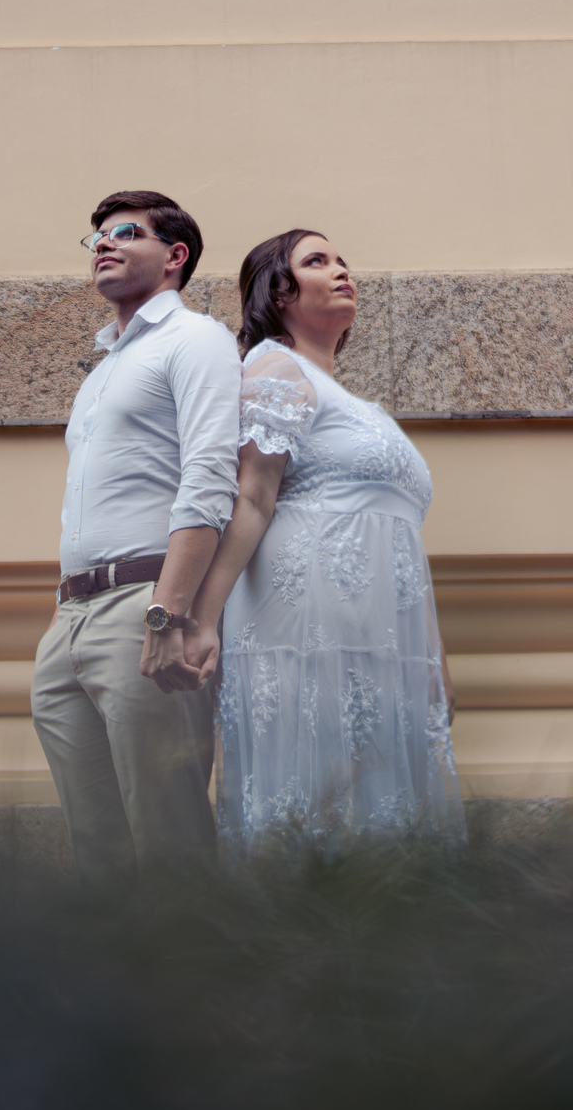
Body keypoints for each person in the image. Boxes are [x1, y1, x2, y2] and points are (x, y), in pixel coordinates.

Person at [183, 230, 467, 850]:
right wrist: (202, 620)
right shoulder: (274, 368)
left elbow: (402, 538)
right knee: (319, 803)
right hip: (308, 628)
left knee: (378, 814)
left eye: (343, 262)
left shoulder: (354, 403)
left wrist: (432, 657)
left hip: (382, 637)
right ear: (279, 291)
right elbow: (252, 498)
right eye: (317, 261)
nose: (341, 271)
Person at [31, 189, 241, 879]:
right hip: (71, 617)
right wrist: (62, 615)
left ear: (175, 256)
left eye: (125, 233)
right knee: (98, 854)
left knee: (168, 841)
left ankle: (189, 954)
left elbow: (209, 479)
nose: (103, 244)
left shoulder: (196, 339)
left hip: (143, 606)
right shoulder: (103, 369)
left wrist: (167, 614)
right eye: (96, 236)